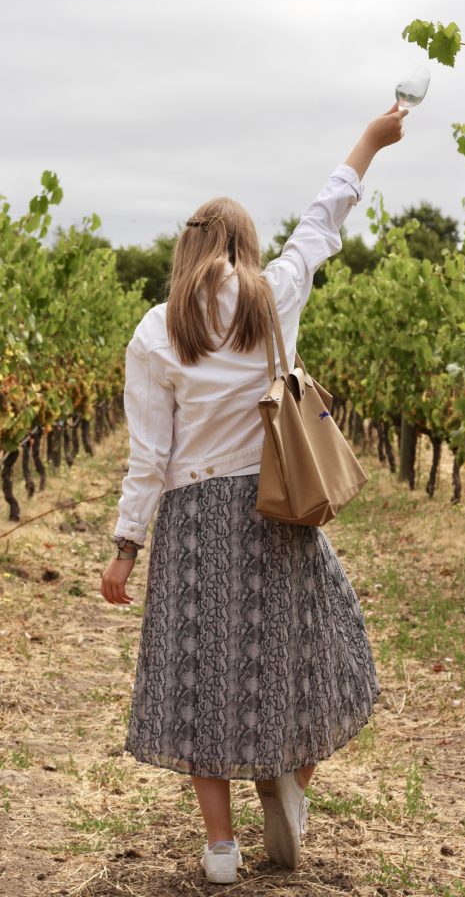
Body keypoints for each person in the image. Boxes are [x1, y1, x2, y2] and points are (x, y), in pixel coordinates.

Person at [101, 102, 408, 884]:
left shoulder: (154, 331)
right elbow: (321, 220)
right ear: (243, 246)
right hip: (275, 510)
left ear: (185, 251)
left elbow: (149, 454)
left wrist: (125, 547)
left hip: (195, 518)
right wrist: (369, 142)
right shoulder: (275, 296)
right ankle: (291, 787)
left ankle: (220, 849)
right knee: (316, 654)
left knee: (199, 674)